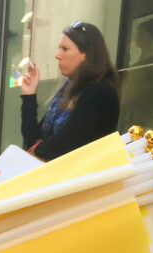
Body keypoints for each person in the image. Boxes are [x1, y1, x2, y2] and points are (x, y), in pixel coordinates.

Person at [21, 21, 120, 162]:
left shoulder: (100, 93)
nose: (58, 55)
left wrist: (37, 149)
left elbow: (62, 146)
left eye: (65, 49)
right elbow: (32, 139)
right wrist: (29, 94)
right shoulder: (67, 90)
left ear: (86, 54)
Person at [120, 17, 153, 132]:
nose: (137, 39)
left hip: (144, 123)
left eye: (140, 35)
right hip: (131, 120)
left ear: (147, 36)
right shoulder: (142, 63)